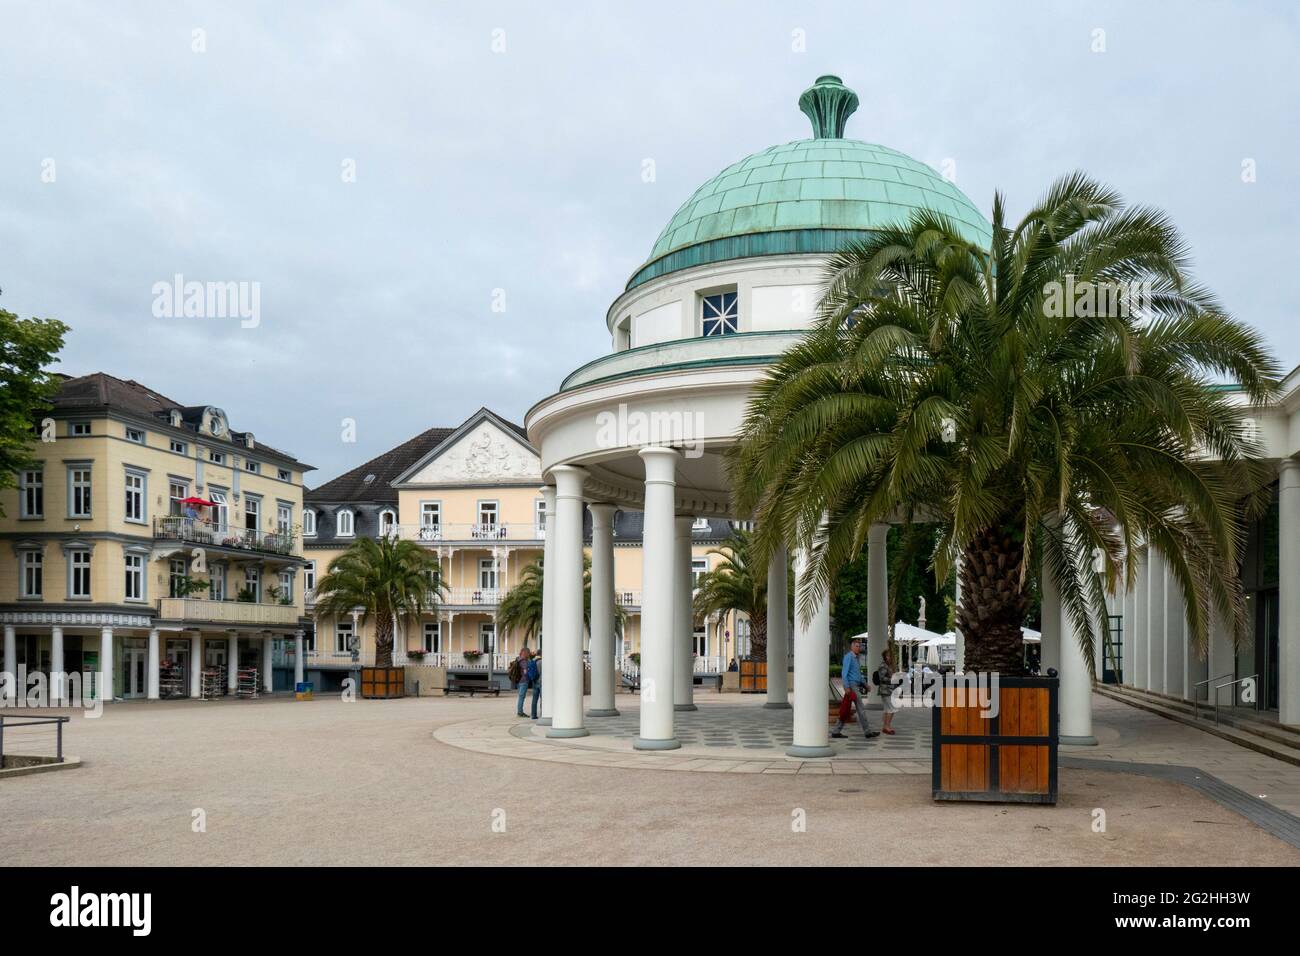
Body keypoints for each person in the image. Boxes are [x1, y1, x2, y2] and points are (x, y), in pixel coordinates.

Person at [832, 638, 879, 739]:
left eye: (859, 646)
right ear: (852, 647)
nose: (858, 648)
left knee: (846, 708)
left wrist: (865, 684)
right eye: (856, 646)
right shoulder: (848, 657)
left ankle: (836, 731)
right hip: (852, 687)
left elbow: (858, 674)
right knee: (861, 709)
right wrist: (846, 687)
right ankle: (867, 732)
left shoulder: (856, 658)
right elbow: (844, 673)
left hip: (855, 686)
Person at [876, 651, 898, 735]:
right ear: (885, 657)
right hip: (886, 690)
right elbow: (882, 678)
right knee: (892, 709)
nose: (890, 657)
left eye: (891, 656)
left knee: (887, 709)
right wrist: (892, 679)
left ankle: (885, 726)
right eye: (888, 656)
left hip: (888, 690)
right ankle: (887, 727)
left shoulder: (888, 665)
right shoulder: (883, 665)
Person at [512, 647, 533, 717]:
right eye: (528, 653)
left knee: (521, 696)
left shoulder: (518, 659)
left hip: (519, 680)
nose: (529, 654)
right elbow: (525, 671)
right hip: (523, 681)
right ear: (525, 653)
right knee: (521, 697)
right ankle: (520, 712)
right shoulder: (523, 661)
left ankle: (520, 711)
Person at [527, 652, 542, 719]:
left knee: (534, 699)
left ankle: (533, 714)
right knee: (543, 699)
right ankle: (543, 714)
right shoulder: (542, 662)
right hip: (541, 682)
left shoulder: (533, 661)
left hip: (534, 682)